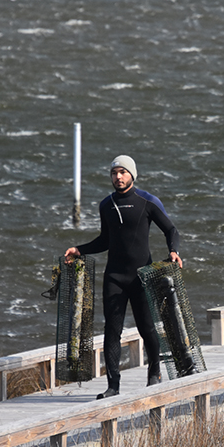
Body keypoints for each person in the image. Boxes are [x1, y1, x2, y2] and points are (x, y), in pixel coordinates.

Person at [65, 155, 182, 399]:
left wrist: (173, 251)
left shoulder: (146, 201)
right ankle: (113, 385)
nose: (118, 177)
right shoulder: (105, 205)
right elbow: (105, 240)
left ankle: (154, 373)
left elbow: (170, 229)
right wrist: (80, 250)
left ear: (131, 175)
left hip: (141, 277)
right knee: (111, 330)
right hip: (115, 277)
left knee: (146, 328)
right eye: (114, 173)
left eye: (123, 172)